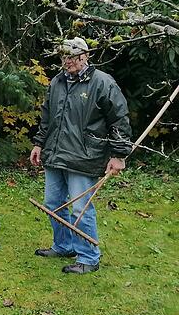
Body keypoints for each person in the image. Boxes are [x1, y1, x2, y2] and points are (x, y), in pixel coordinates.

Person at [30, 37, 131, 274]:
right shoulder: (56, 82)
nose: (68, 61)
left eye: (73, 56)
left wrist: (118, 155)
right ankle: (64, 245)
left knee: (80, 208)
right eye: (64, 56)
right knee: (53, 204)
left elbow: (119, 120)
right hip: (55, 155)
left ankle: (88, 257)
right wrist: (39, 143)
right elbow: (47, 118)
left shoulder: (102, 83)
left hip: (85, 157)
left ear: (86, 55)